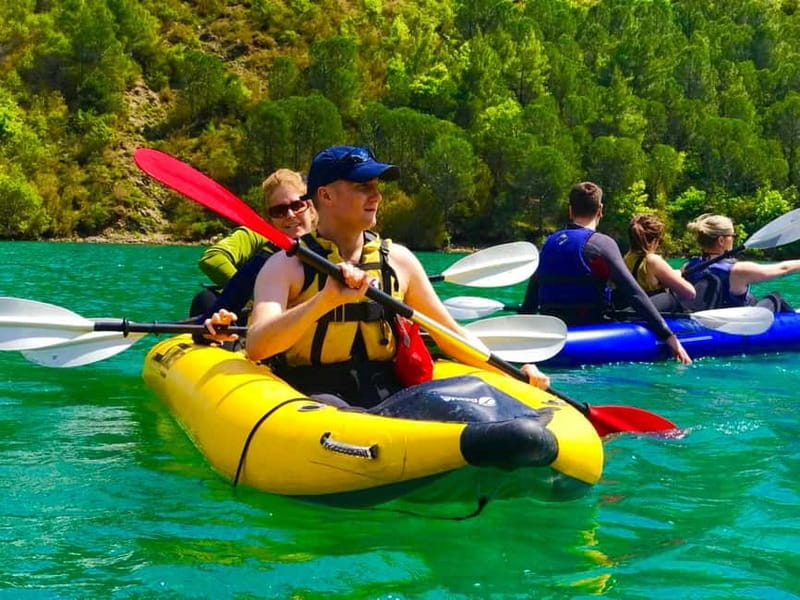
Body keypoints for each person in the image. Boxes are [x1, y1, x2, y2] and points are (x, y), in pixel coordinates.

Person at [210, 145, 549, 408]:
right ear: (325, 195)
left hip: (389, 391)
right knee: (337, 408)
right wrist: (325, 300)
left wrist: (513, 372)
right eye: (362, 186)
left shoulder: (399, 261)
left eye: (375, 185)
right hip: (312, 395)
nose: (376, 195)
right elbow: (258, 345)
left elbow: (452, 336)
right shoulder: (285, 266)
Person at [520, 181, 692, 364]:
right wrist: (668, 335)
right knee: (668, 298)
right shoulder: (602, 243)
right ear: (600, 210)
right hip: (592, 327)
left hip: (552, 325)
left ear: (570, 210)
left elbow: (531, 298)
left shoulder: (548, 244)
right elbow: (634, 293)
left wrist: (520, 338)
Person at [194, 169, 316, 344]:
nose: (290, 215)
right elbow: (208, 321)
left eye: (297, 206)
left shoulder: (339, 249)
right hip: (279, 355)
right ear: (269, 220)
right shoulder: (262, 261)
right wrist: (210, 328)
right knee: (204, 299)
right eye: (279, 211)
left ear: (311, 208)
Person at [683, 213, 800, 312]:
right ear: (721, 240)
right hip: (738, 324)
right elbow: (783, 269)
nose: (734, 239)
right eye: (733, 236)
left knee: (753, 299)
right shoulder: (738, 270)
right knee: (775, 298)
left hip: (706, 320)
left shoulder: (688, 267)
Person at [622, 213, 696, 312]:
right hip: (651, 315)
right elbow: (690, 293)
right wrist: (677, 275)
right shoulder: (652, 260)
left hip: (630, 310)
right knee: (670, 300)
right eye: (660, 241)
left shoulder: (625, 259)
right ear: (655, 241)